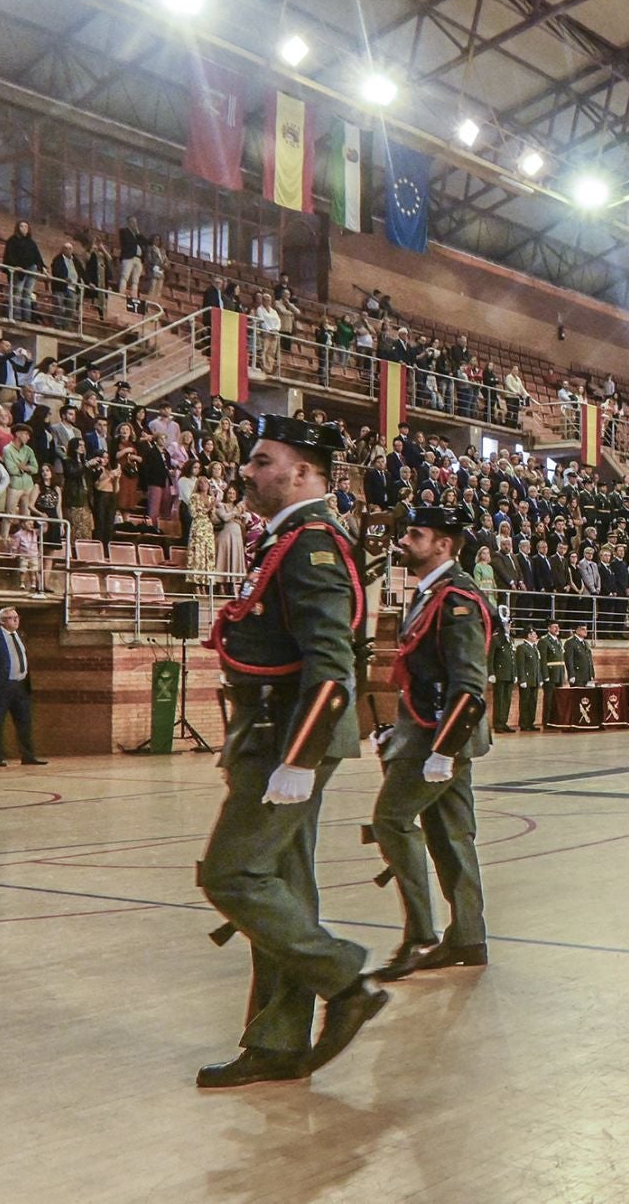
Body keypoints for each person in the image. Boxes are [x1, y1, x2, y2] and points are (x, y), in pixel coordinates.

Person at [193, 415, 384, 1088]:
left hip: (287, 736)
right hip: (272, 733)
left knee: (233, 875)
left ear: (303, 473)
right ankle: (276, 1040)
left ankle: (346, 980)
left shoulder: (311, 546)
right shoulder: (288, 540)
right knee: (286, 886)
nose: (247, 471)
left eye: (262, 460)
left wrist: (298, 760)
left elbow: (332, 665)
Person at [370, 505, 494, 982]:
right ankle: (467, 937)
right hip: (426, 732)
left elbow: (468, 683)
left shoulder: (458, 598)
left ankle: (421, 933)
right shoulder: (433, 593)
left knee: (391, 821)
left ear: (443, 545)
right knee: (451, 835)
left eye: (415, 535)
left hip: (440, 739)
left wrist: (443, 750)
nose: (404, 541)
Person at [0, 607, 45, 768]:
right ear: (2, 621)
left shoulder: (21, 635)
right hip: (0, 687)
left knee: (24, 722)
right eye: (11, 618)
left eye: (17, 617)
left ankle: (28, 755)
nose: (16, 620)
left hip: (20, 686)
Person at [513, 627, 542, 731]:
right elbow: (520, 665)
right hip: (527, 679)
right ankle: (524, 724)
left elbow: (538, 665)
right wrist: (522, 679)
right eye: (534, 634)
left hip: (534, 679)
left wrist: (540, 678)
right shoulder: (522, 648)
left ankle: (531, 722)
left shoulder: (534, 648)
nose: (536, 636)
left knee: (533, 702)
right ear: (529, 635)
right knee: (525, 702)